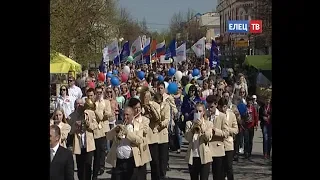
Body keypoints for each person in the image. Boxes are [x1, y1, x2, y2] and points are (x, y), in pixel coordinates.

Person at [106, 106, 145, 180]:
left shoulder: (138, 126)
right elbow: (108, 137)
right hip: (118, 161)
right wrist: (115, 131)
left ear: (132, 115)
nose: (125, 117)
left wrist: (127, 133)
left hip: (130, 161)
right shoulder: (119, 125)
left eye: (127, 115)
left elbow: (139, 140)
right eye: (124, 114)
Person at [185, 103, 213, 180]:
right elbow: (188, 138)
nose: (198, 113)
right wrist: (193, 127)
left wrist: (202, 126)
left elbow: (208, 138)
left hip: (204, 156)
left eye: (200, 111)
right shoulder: (189, 123)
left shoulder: (209, 124)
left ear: (203, 112)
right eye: (196, 111)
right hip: (193, 156)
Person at [73, 98, 98, 180]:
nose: (79, 105)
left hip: (88, 144)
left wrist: (88, 124)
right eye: (77, 104)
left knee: (87, 166)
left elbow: (95, 126)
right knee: (80, 167)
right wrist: (75, 126)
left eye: (81, 104)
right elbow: (69, 130)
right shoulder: (72, 115)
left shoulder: (90, 113)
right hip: (78, 144)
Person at [139, 89, 162, 180]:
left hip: (152, 137)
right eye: (144, 97)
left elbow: (158, 118)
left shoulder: (155, 105)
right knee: (142, 163)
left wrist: (151, 108)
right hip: (142, 137)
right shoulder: (138, 106)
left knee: (155, 162)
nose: (146, 99)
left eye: (148, 97)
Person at [128, 97, 152, 180]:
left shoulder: (145, 120)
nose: (138, 110)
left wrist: (134, 123)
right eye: (135, 108)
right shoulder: (127, 119)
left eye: (139, 107)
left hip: (141, 150)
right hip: (130, 152)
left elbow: (144, 131)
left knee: (141, 175)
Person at [206, 95, 229, 180]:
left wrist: (215, 131)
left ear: (216, 105)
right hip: (206, 148)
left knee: (217, 174)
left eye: (211, 107)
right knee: (205, 173)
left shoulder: (222, 116)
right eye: (208, 107)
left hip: (217, 148)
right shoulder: (206, 114)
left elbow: (226, 133)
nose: (210, 109)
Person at [93, 86, 113, 179]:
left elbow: (109, 113)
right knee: (96, 150)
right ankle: (96, 167)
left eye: (100, 92)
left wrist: (103, 114)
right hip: (95, 128)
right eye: (97, 92)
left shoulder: (106, 102)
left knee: (102, 149)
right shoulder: (93, 103)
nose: (99, 94)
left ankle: (101, 166)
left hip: (104, 128)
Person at [218, 98, 238, 180]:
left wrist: (227, 130)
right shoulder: (216, 115)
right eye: (221, 107)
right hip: (218, 143)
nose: (223, 109)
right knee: (220, 167)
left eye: (225, 107)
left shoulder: (231, 115)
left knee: (229, 166)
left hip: (229, 144)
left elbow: (236, 129)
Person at [154, 92, 171, 180]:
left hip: (163, 134)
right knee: (156, 159)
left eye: (159, 102)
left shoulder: (166, 106)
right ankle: (157, 175)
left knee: (163, 158)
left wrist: (161, 124)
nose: (158, 103)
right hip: (155, 135)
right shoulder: (152, 107)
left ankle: (162, 175)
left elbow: (167, 119)